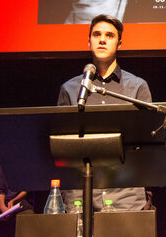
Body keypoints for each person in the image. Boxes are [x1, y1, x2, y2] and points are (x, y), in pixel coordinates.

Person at [57, 14, 152, 211]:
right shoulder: (70, 89)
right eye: (96, 34)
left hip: (126, 195)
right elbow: (61, 146)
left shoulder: (137, 87)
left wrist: (147, 192)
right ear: (89, 41)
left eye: (109, 35)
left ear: (119, 43)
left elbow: (147, 146)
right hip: (80, 195)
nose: (102, 39)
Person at [0, 164, 33, 237]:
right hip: (1, 201)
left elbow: (26, 189)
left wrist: (14, 200)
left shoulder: (25, 165)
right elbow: (0, 190)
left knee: (28, 215)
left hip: (19, 200)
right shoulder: (0, 166)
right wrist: (2, 206)